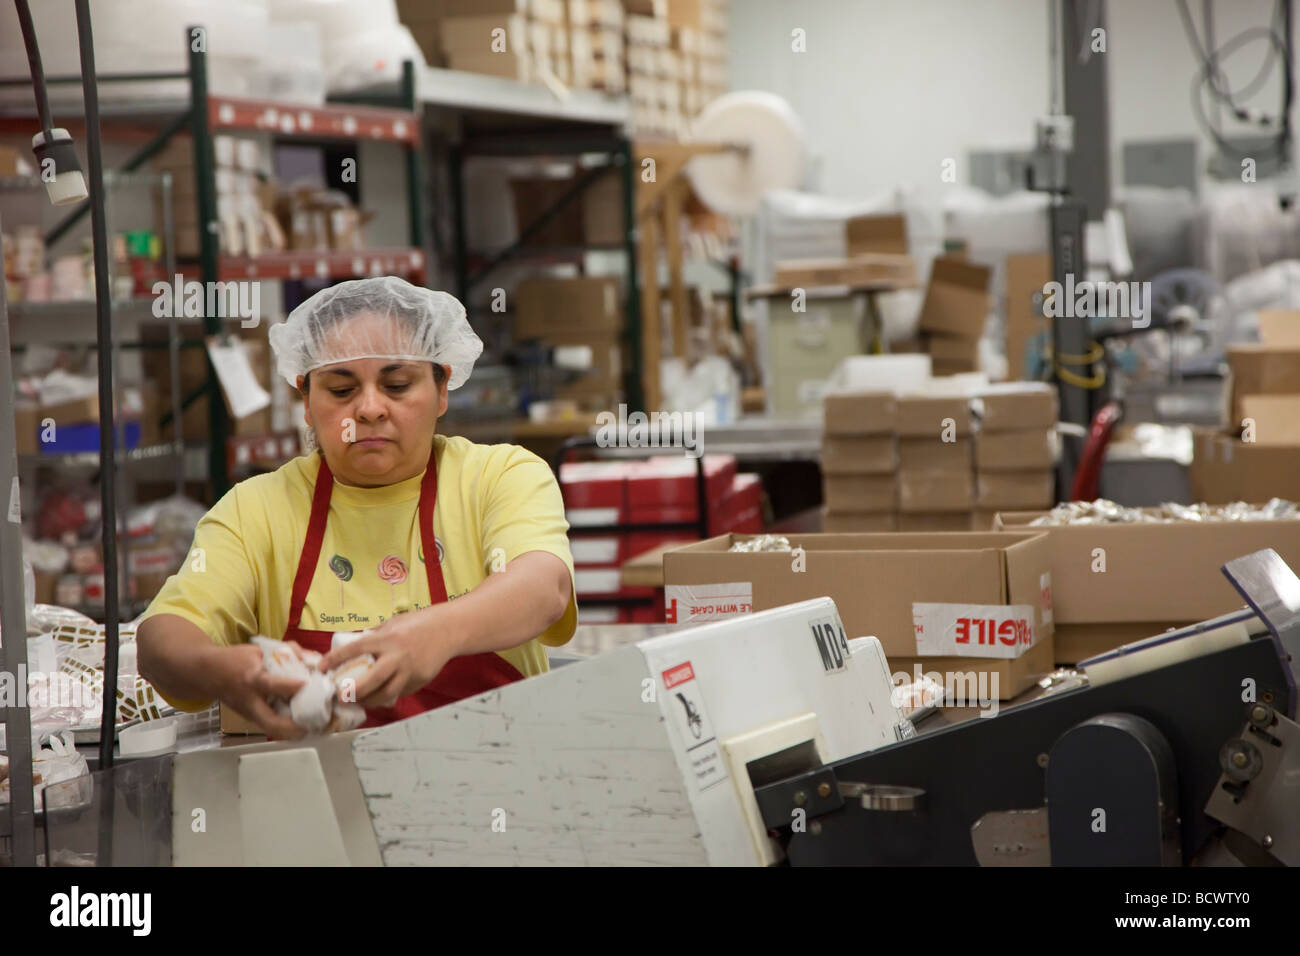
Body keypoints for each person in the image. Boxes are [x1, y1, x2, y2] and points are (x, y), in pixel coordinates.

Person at [137, 277, 577, 738]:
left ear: (442, 389)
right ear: (306, 400)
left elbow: (544, 589)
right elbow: (161, 640)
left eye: (398, 385)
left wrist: (437, 633)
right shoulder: (257, 510)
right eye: (342, 390)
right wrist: (221, 668)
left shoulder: (497, 477)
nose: (369, 409)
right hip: (322, 797)